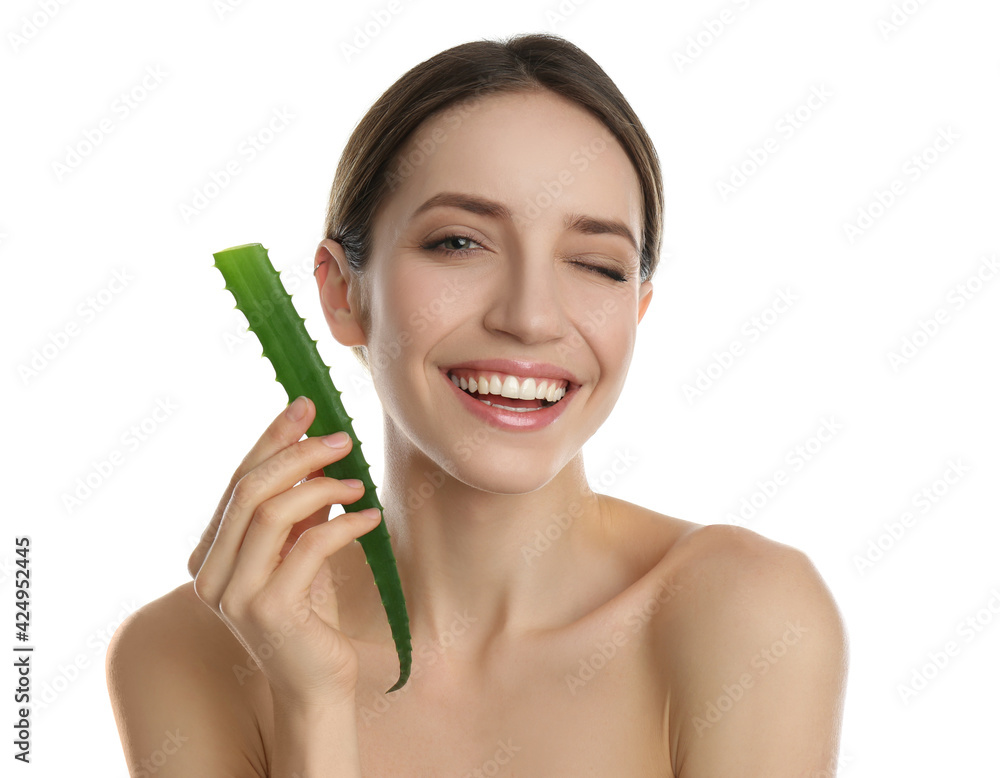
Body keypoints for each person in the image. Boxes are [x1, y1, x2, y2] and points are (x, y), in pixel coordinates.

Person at [106, 32, 848, 777]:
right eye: (460, 243)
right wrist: (313, 704)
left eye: (597, 264)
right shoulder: (184, 653)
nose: (531, 317)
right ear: (340, 293)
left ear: (638, 310)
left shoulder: (745, 615)